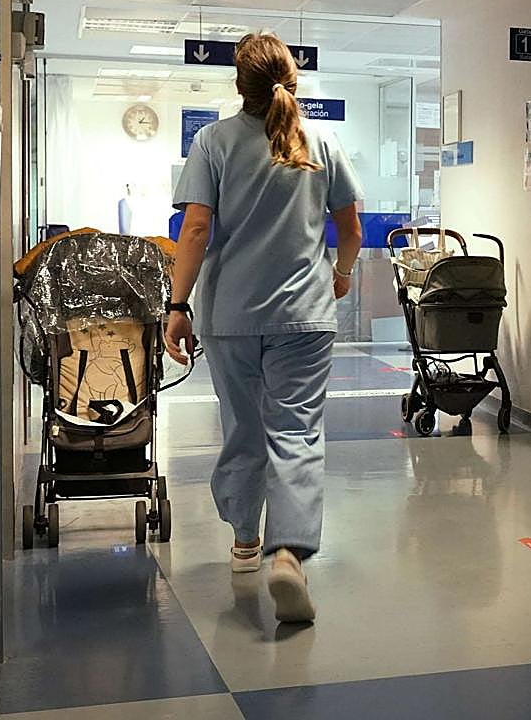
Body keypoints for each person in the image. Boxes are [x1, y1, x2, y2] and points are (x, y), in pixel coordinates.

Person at [165, 33, 363, 623]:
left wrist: (178, 306)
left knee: (243, 427)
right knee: (296, 433)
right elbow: (348, 229)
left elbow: (196, 230)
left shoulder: (213, 142)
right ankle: (289, 553)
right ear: (291, 80)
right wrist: (343, 274)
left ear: (239, 86)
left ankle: (246, 540)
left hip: (231, 316)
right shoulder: (321, 141)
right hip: (304, 316)